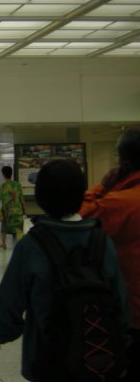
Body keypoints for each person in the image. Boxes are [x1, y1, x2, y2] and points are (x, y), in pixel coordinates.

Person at [0, 160, 129, 382]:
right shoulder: (101, 242)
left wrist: (4, 332)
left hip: (47, 355)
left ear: (41, 197)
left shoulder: (32, 245)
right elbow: (120, 299)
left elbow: (10, 298)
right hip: (97, 351)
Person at [80, 128, 140, 380]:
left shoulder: (121, 203)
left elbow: (77, 218)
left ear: (123, 162)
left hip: (133, 314)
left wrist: (101, 187)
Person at [0, 166, 26, 249]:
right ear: (11, 173)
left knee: (4, 228)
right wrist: (24, 209)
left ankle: (3, 243)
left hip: (7, 212)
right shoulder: (17, 185)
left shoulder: (2, 187)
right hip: (17, 210)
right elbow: (21, 199)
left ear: (3, 174)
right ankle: (21, 245)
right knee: (19, 229)